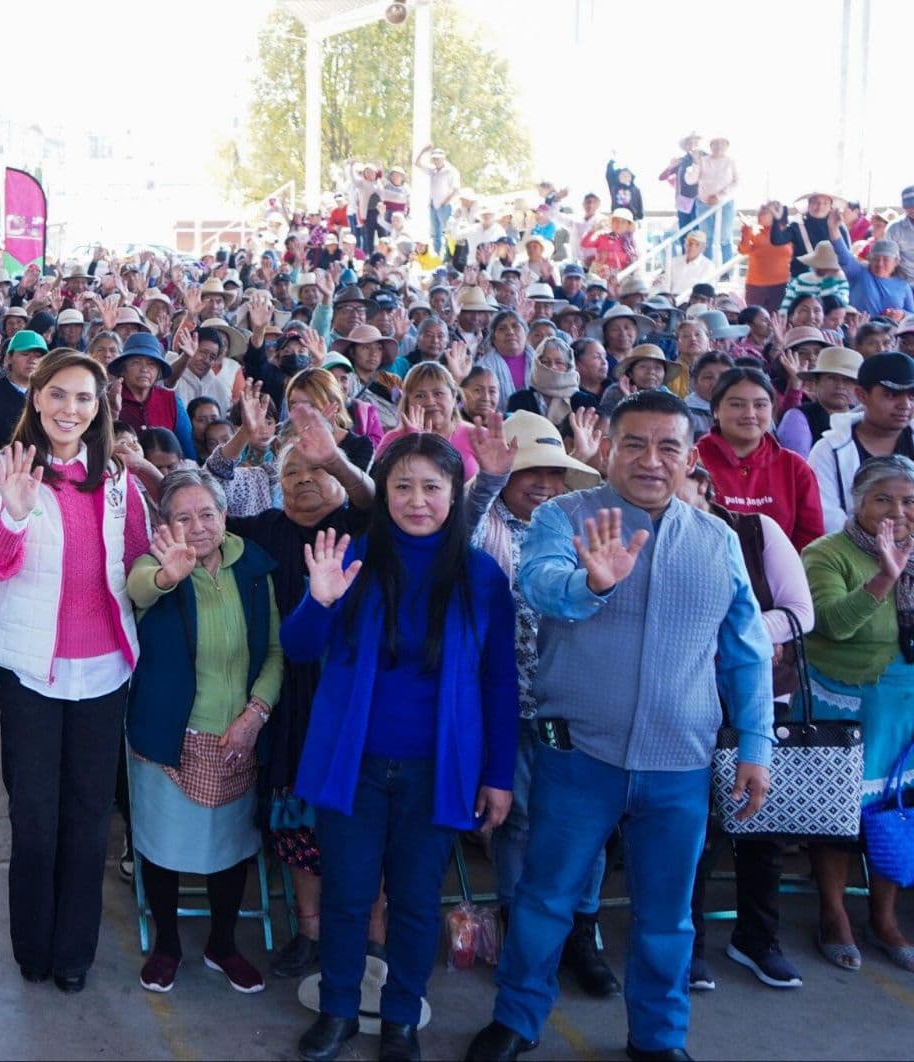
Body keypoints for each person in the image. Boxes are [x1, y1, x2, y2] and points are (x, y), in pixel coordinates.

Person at [471, 390, 773, 1062]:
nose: (650, 460)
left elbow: (746, 651)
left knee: (666, 917)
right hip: (579, 757)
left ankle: (658, 1038)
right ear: (607, 448)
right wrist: (594, 584)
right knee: (545, 899)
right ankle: (518, 1019)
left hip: (680, 765)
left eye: (669, 446)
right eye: (634, 443)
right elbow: (541, 586)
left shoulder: (716, 539)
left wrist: (756, 745)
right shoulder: (564, 517)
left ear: (690, 456)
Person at [283, 434, 516, 1062]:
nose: (417, 501)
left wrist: (497, 773)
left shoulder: (481, 575)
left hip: (438, 770)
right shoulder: (353, 557)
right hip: (353, 765)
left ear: (454, 495)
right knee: (348, 896)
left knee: (415, 902)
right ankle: (337, 1012)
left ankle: (401, 1021)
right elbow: (301, 648)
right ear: (383, 494)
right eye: (403, 487)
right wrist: (318, 601)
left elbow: (500, 681)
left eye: (432, 487)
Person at [0, 352, 150, 994]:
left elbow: (140, 562)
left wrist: (165, 574)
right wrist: (10, 513)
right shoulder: (1, 471)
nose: (71, 409)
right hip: (32, 672)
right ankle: (33, 946)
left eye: (85, 399)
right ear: (35, 399)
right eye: (58, 395)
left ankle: (74, 954)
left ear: (100, 407)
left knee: (89, 817)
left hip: (104, 673)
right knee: (35, 816)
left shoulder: (118, 479)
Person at [467, 412, 621, 999]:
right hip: (507, 702)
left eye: (555, 472)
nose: (544, 483)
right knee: (517, 822)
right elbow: (458, 531)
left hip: (577, 700)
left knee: (588, 822)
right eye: (531, 470)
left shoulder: (577, 524)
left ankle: (582, 933)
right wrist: (483, 481)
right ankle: (519, 926)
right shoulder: (484, 525)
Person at [123, 465, 285, 993]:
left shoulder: (255, 567)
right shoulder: (156, 564)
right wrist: (170, 572)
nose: (197, 527)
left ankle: (222, 945)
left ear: (224, 515)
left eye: (207, 514)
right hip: (170, 736)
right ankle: (167, 944)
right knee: (162, 847)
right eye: (183, 517)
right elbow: (141, 590)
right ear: (165, 524)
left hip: (236, 735)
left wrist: (254, 715)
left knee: (231, 848)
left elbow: (277, 653)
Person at [679, 464, 815, 991]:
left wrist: (740, 629)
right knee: (695, 826)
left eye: (687, 498)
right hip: (688, 699)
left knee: (762, 827)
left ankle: (758, 939)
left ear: (706, 491)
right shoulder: (649, 535)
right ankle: (688, 946)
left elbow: (801, 613)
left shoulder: (756, 531)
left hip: (758, 695)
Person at [799, 454, 914, 975]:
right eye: (883, 499)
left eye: (909, 501)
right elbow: (834, 624)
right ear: (858, 503)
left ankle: (885, 919)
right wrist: (885, 578)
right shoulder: (827, 553)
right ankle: (833, 913)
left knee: (895, 811)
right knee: (838, 816)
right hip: (843, 701)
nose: (898, 511)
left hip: (903, 702)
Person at [696, 367, 825, 550]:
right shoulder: (692, 463)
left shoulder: (794, 467)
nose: (749, 414)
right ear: (716, 410)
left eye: (760, 405)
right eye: (737, 404)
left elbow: (810, 541)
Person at [808, 350, 914, 532]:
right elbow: (829, 519)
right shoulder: (829, 450)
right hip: (850, 555)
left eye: (912, 396)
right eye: (891, 395)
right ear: (862, 395)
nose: (905, 405)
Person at [0, 329, 46, 450]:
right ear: (9, 358)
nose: (32, 360)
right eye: (25, 354)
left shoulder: (49, 394)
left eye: (38, 356)